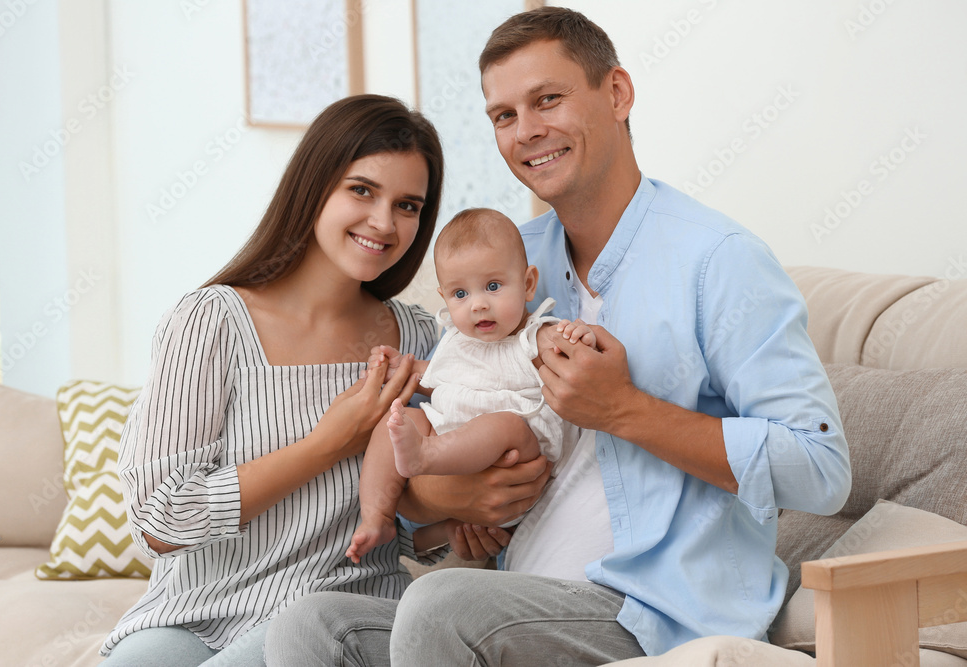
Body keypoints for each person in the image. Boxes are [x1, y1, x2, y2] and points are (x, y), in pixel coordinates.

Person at [385, 6, 853, 664]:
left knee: (440, 607)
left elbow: (822, 469)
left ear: (617, 93)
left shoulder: (719, 259)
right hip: (514, 596)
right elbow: (419, 479)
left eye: (547, 99)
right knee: (314, 625)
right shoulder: (506, 266)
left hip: (655, 614)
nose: (527, 131)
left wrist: (625, 409)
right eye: (504, 115)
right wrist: (453, 499)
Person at [100, 94, 482, 666]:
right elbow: (161, 518)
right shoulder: (210, 321)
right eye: (362, 190)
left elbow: (405, 523)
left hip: (336, 610)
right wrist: (328, 443)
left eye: (408, 205)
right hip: (193, 611)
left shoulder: (420, 340)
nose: (384, 222)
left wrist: (457, 519)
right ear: (313, 186)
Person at [345, 207, 596, 564]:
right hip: (460, 468)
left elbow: (573, 351)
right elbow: (439, 376)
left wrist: (579, 335)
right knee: (400, 422)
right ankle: (377, 516)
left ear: (527, 284)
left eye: (493, 287)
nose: (478, 304)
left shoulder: (534, 337)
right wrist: (402, 367)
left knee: (505, 423)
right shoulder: (456, 341)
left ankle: (426, 455)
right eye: (460, 294)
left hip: (519, 461)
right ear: (444, 297)